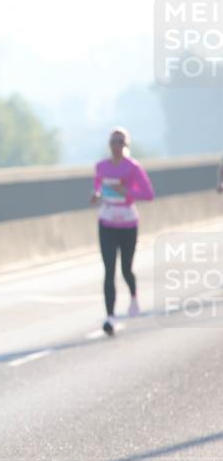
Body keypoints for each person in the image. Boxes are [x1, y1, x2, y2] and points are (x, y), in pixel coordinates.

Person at [88, 128, 155, 336]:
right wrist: (96, 195)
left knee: (126, 268)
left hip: (127, 221)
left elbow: (148, 194)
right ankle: (110, 316)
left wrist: (126, 191)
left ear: (126, 145)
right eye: (113, 142)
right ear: (109, 145)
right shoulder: (101, 167)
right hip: (107, 220)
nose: (116, 146)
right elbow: (97, 188)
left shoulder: (133, 167)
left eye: (120, 142)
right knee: (109, 269)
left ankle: (134, 296)